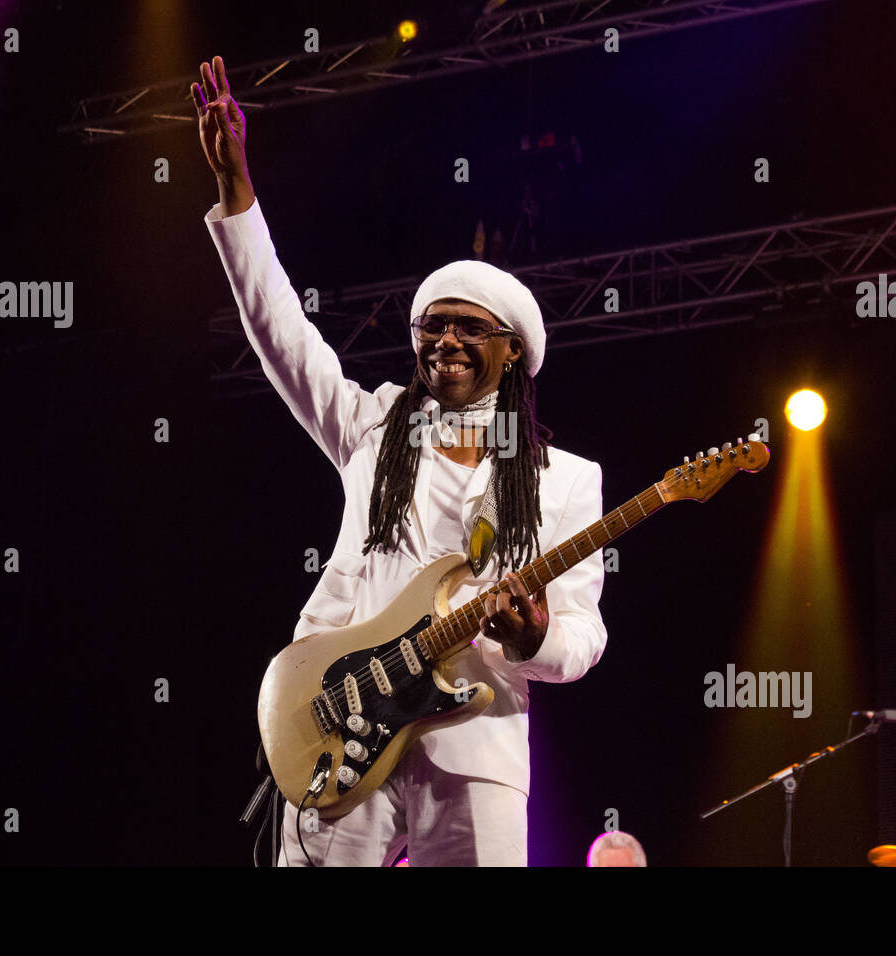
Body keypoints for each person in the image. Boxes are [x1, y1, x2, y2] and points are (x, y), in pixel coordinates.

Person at [194, 55, 608, 867]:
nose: (444, 339)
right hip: (342, 718)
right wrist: (237, 194)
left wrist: (532, 638)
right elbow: (283, 335)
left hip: (477, 742)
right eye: (431, 326)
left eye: (466, 327)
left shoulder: (567, 479)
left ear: (513, 350)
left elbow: (584, 633)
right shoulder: (375, 426)